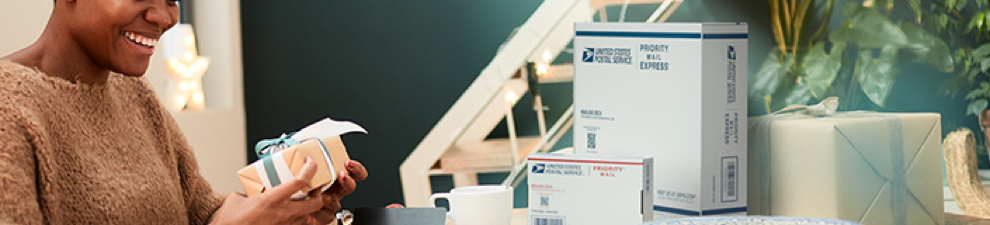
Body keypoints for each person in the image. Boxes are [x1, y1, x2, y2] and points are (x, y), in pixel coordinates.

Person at [0, 0, 368, 224]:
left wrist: (289, 208)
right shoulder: (9, 107)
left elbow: (202, 214)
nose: (164, 16)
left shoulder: (134, 94)